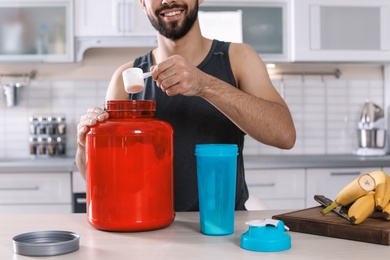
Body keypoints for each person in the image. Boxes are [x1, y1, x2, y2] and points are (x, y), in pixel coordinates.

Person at [76, 0, 296, 212]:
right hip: (148, 226)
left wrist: (204, 84)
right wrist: (86, 144)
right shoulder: (125, 78)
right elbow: (101, 179)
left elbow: (284, 135)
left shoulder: (238, 58)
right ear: (143, 3)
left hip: (221, 224)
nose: (168, 0)